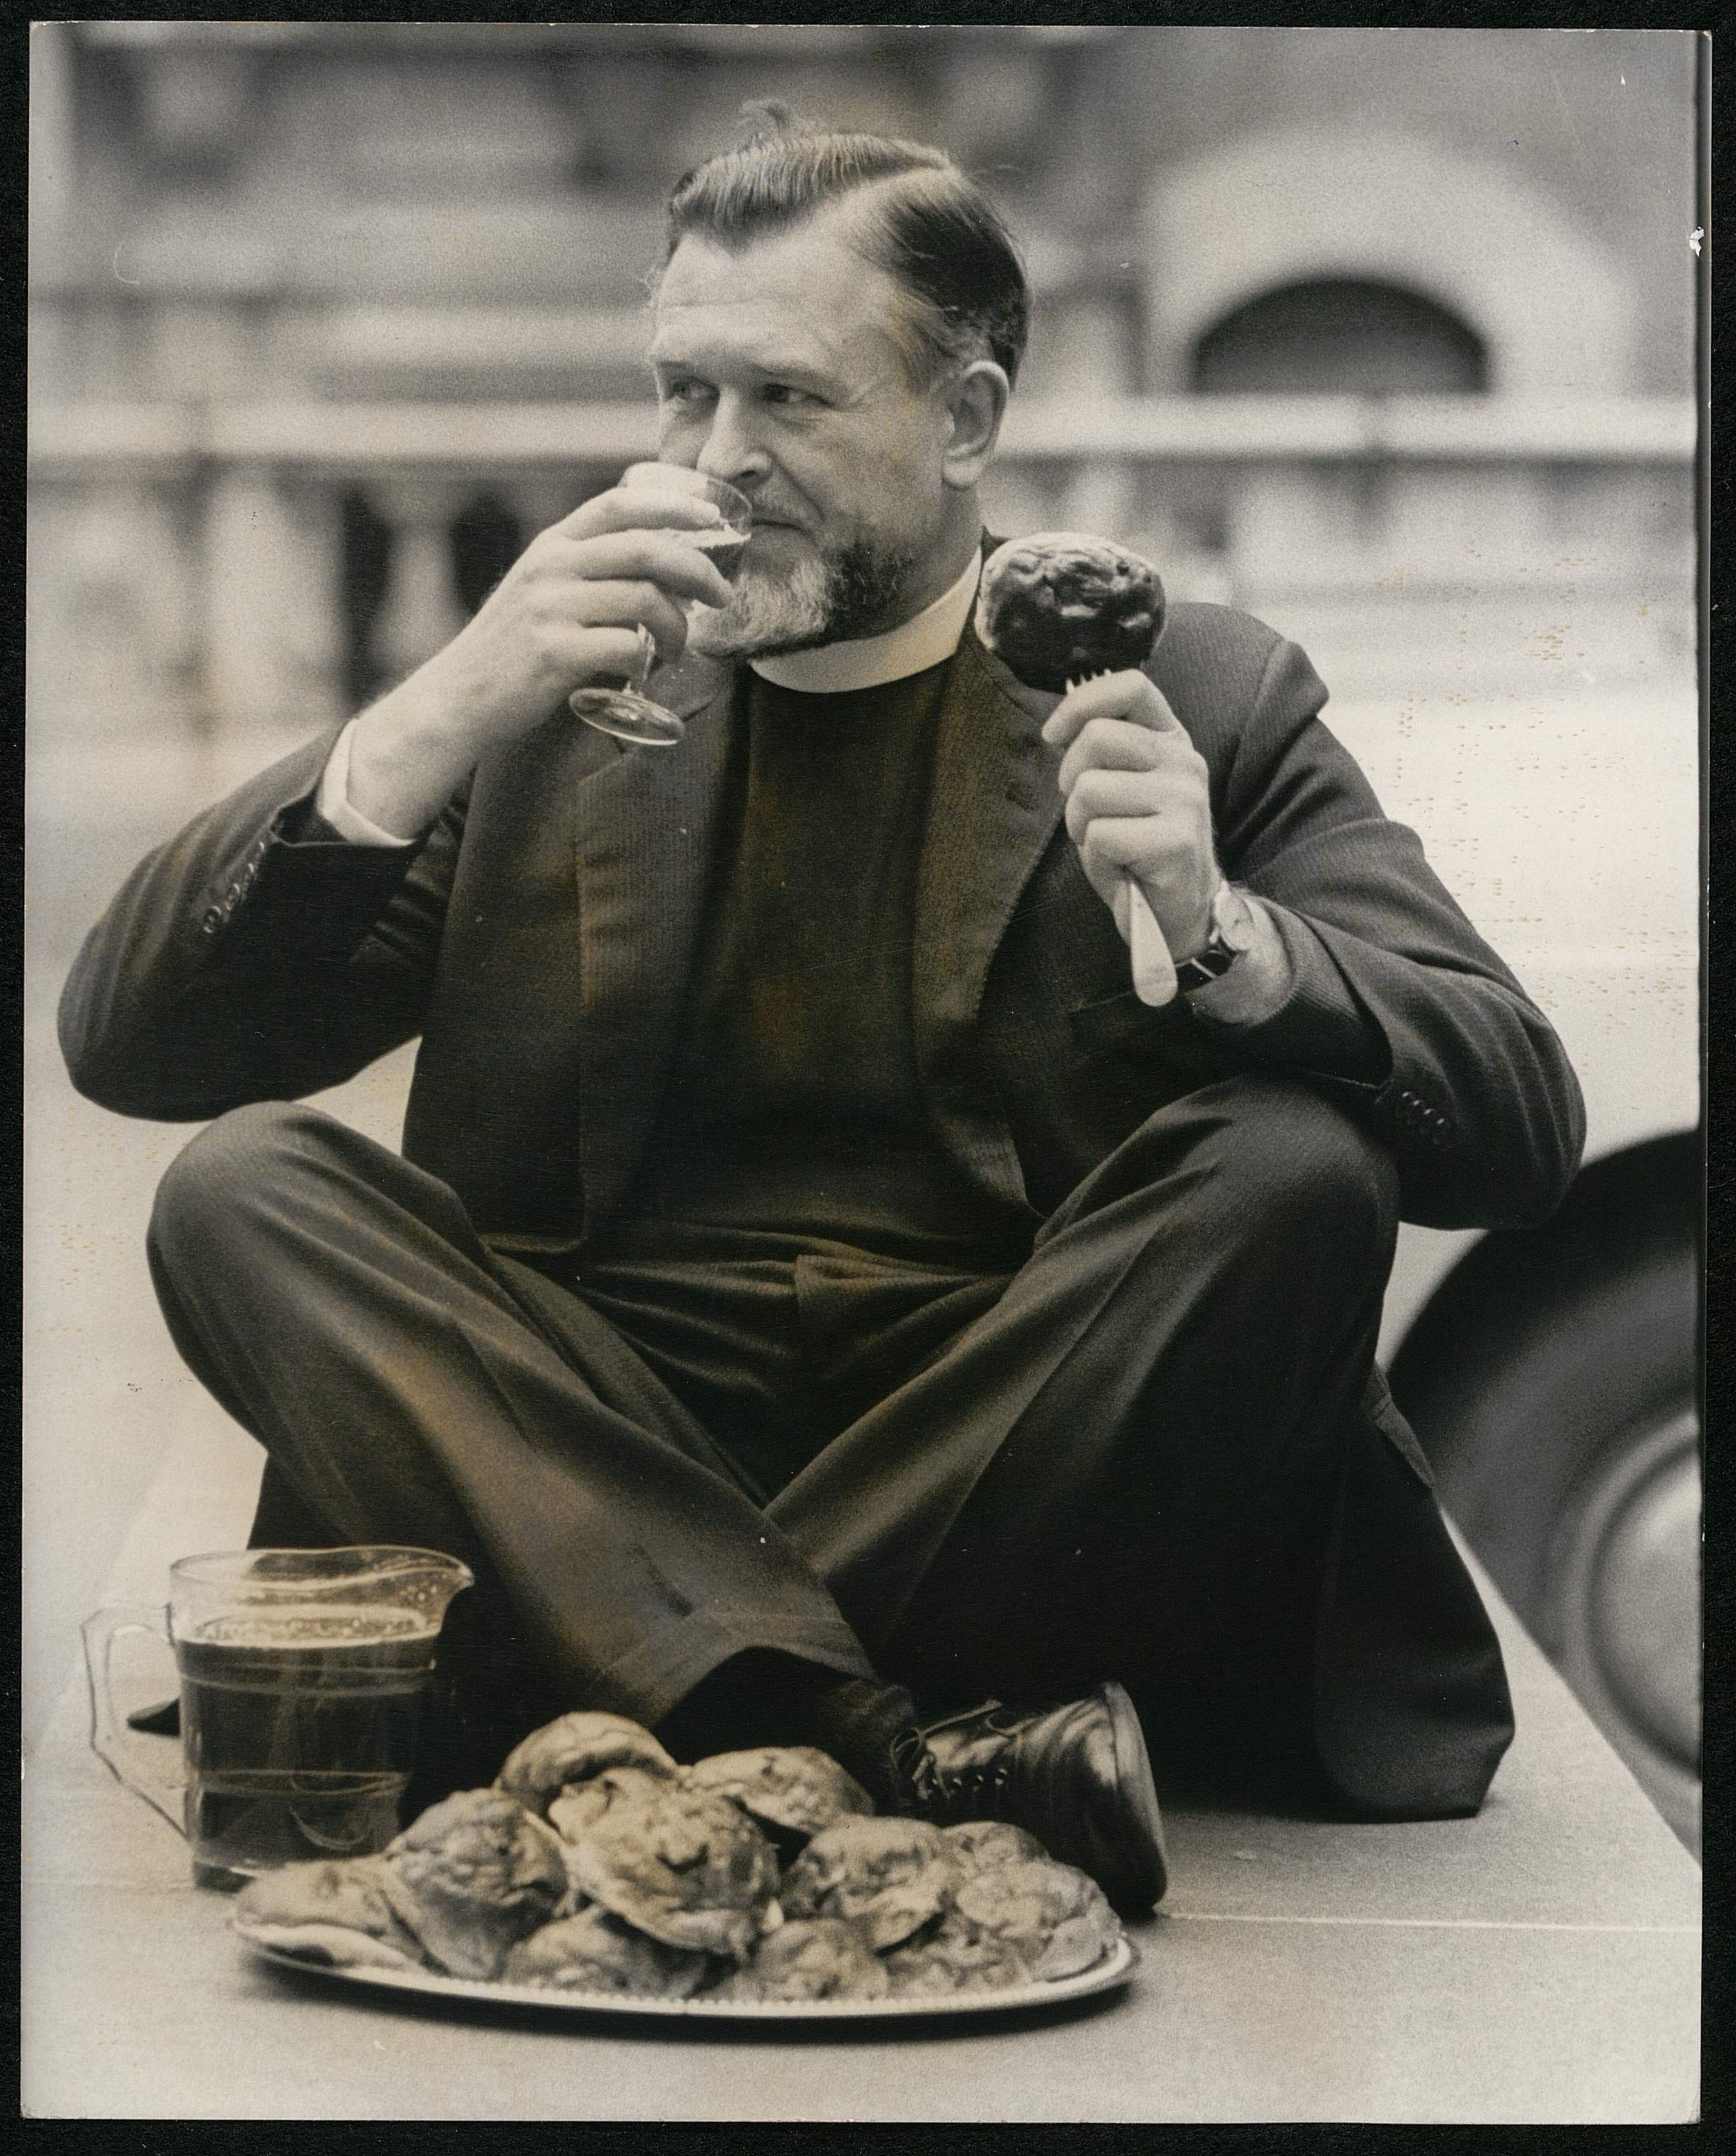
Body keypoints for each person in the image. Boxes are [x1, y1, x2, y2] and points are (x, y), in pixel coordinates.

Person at [59, 124, 1584, 1912]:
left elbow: (1518, 1120)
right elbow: (134, 1047)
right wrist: (433, 709)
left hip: (1008, 1463)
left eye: (784, 398)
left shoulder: (1189, 697)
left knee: (1295, 1166)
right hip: (602, 1439)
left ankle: (655, 1693)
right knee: (246, 1188)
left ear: (963, 422)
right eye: (680, 393)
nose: (715, 465)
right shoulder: (554, 695)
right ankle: (873, 1736)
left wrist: (1223, 929)